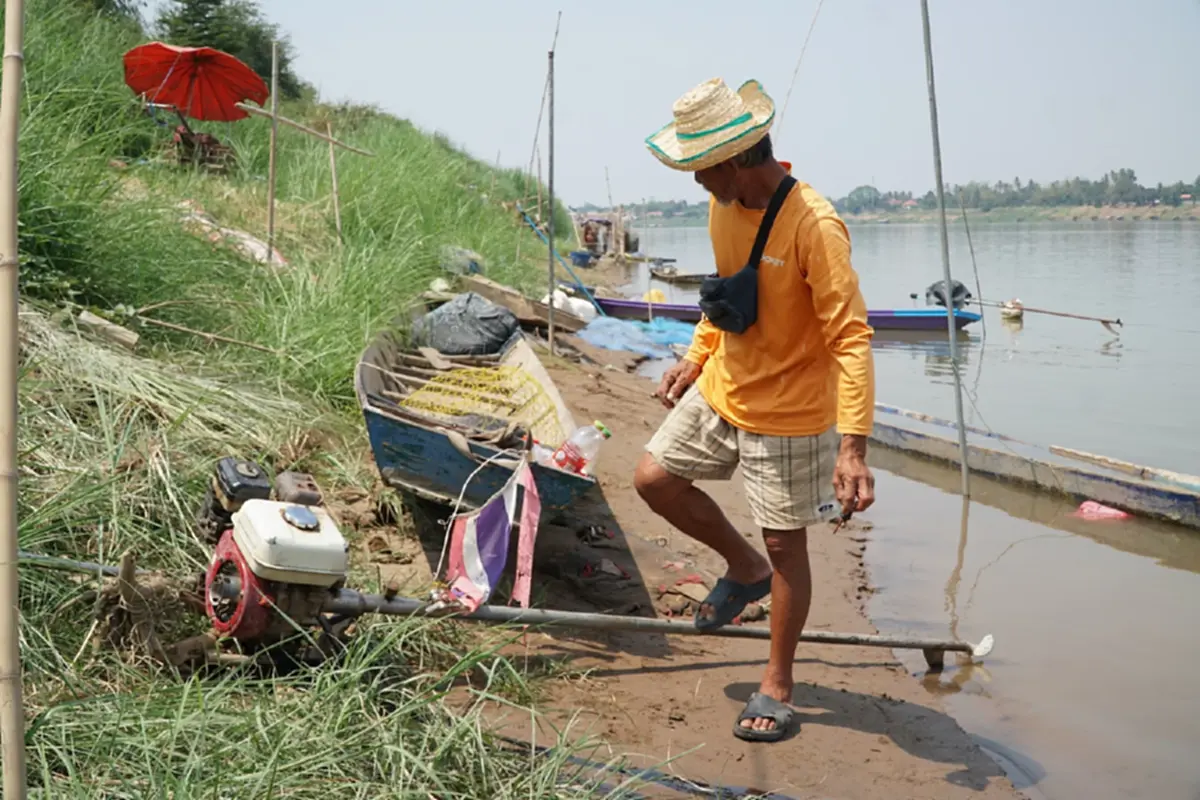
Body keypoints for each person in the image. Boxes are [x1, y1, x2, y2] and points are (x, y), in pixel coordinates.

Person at [634, 77, 877, 742]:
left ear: (735, 159)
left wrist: (852, 446)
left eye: (699, 167)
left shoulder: (815, 226)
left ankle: (777, 682)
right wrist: (695, 353)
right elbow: (725, 295)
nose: (694, 181)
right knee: (654, 479)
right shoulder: (722, 205)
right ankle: (745, 572)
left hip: (792, 410)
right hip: (723, 385)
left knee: (786, 542)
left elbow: (850, 338)